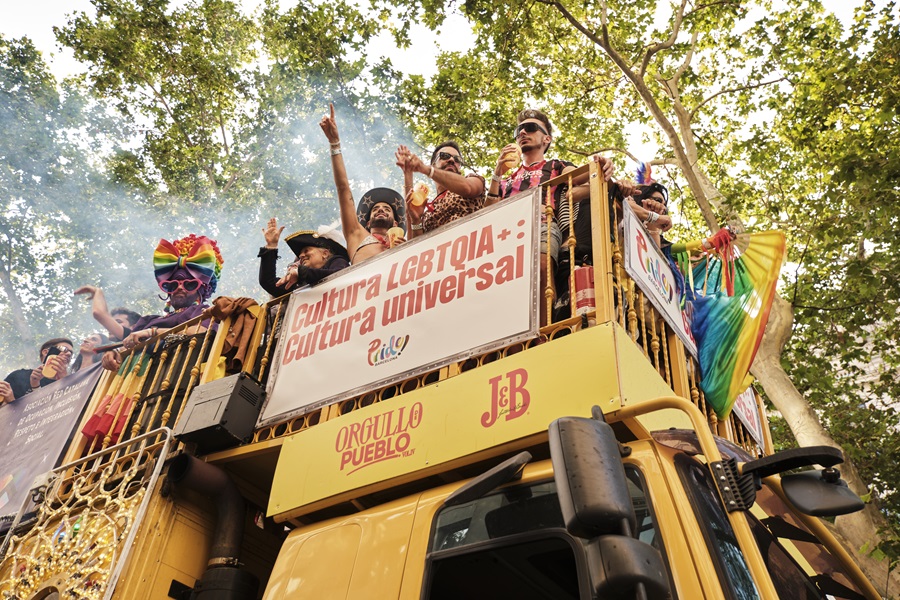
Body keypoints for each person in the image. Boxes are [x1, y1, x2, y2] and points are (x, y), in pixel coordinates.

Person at [484, 109, 613, 325]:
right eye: (518, 130)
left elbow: (581, 176)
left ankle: (544, 332)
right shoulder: (507, 179)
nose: (522, 132)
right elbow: (487, 213)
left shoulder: (554, 165)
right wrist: (497, 173)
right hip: (506, 234)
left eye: (530, 128)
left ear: (547, 139)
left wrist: (601, 164)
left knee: (543, 267)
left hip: (542, 224)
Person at [102, 234, 224, 371]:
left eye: (189, 284)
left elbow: (201, 331)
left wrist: (152, 332)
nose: (180, 287)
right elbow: (128, 344)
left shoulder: (202, 311)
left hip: (172, 374)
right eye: (173, 284)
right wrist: (115, 353)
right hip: (134, 377)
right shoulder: (148, 320)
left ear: (201, 290)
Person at [319, 103, 405, 264]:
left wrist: (407, 250)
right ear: (368, 222)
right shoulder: (356, 234)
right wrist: (334, 143)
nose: (381, 210)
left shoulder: (406, 243)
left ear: (395, 223)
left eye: (387, 209)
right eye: (375, 209)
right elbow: (343, 189)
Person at [395, 142, 485, 238]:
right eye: (445, 156)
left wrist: (426, 169)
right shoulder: (427, 213)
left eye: (457, 159)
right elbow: (415, 244)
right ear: (433, 164)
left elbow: (468, 188)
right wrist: (416, 220)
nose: (451, 160)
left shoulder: (475, 180)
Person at [258, 218, 350, 297]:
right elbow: (269, 283)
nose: (301, 256)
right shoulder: (299, 280)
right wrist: (271, 246)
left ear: (325, 254)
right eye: (300, 254)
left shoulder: (337, 261)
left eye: (306, 250)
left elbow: (341, 274)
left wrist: (301, 273)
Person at [3, 338, 74, 401]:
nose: (68, 354)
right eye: (64, 349)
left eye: (71, 353)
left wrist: (65, 380)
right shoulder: (18, 376)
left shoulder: (72, 382)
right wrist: (11, 402)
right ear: (45, 352)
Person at [74, 285, 141, 342]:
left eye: (118, 322)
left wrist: (98, 291)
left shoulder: (139, 340)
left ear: (134, 327)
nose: (111, 325)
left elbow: (98, 313)